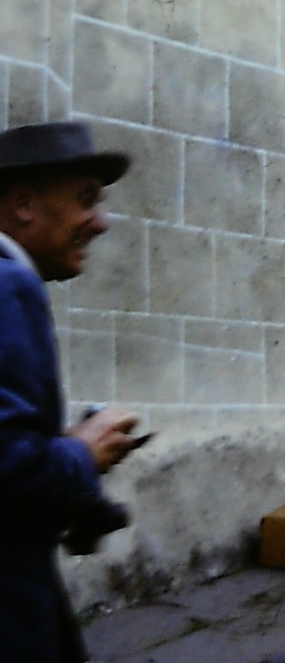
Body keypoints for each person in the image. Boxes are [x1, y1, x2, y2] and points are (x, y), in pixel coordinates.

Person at [0, 121, 143, 662]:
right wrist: (84, 452)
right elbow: (8, 466)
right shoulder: (10, 286)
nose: (100, 223)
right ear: (24, 203)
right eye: (86, 200)